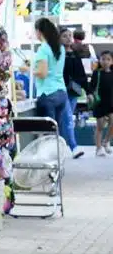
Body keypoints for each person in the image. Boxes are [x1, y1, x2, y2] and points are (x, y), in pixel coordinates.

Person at [34, 18, 83, 158]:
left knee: (48, 133)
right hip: (61, 92)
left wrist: (29, 69)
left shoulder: (43, 48)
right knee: (58, 130)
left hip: (47, 93)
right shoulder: (59, 48)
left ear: (39, 31)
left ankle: (50, 165)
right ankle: (59, 161)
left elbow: (42, 73)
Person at [62, 27, 89, 137]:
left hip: (74, 89)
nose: (68, 38)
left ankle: (65, 143)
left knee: (68, 117)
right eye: (64, 36)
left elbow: (81, 73)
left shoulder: (75, 54)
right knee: (68, 117)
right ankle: (72, 146)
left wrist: (88, 90)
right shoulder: (57, 54)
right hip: (61, 90)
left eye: (69, 35)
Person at [91, 50, 113, 155]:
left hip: (111, 102)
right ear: (100, 60)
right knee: (100, 126)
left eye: (108, 59)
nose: (105, 61)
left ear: (112, 61)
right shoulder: (97, 73)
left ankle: (106, 141)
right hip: (99, 103)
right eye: (103, 59)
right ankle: (98, 148)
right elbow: (91, 87)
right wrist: (90, 95)